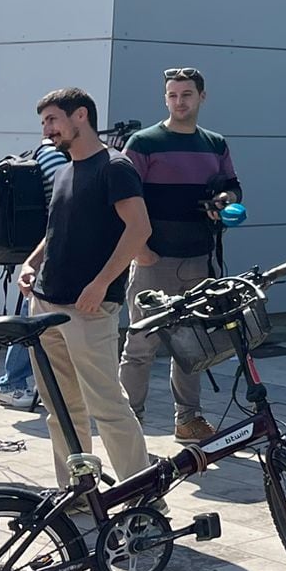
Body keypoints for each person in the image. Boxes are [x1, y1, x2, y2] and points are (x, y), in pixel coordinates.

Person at [19, 89, 155, 490]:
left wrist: (101, 283)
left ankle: (141, 495)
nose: (47, 130)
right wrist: (32, 262)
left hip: (89, 308)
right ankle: (77, 492)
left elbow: (139, 229)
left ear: (81, 116)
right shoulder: (64, 170)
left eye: (52, 120)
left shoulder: (115, 167)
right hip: (45, 305)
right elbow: (57, 230)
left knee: (107, 406)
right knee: (60, 408)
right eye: (43, 122)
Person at [119, 69, 241, 445]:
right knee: (141, 346)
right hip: (154, 260)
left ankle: (188, 420)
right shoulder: (143, 143)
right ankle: (128, 424)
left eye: (186, 94)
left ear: (202, 97)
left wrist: (225, 202)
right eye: (172, 95)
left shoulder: (215, 144)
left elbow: (233, 187)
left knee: (192, 346)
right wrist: (141, 251)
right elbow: (120, 197)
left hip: (199, 257)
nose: (179, 102)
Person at [0, 140, 70, 412]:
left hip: (40, 251)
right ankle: (12, 385)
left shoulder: (47, 154)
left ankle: (14, 383)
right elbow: (61, 214)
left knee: (31, 317)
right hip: (49, 252)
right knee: (32, 320)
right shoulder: (57, 160)